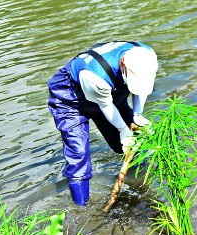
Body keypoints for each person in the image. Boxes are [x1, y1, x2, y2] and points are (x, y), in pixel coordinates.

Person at [47, 41, 158, 205]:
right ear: (122, 64)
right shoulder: (94, 75)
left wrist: (137, 114)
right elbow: (105, 105)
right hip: (71, 98)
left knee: (131, 145)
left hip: (108, 92)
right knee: (78, 154)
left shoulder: (146, 55)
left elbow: (140, 89)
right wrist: (123, 130)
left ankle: (139, 187)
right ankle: (81, 208)